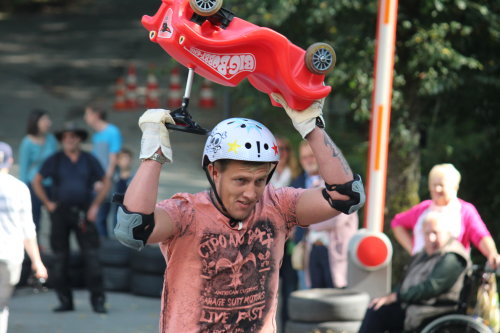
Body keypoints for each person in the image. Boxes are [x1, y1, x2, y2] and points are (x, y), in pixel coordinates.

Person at [114, 93, 365, 333]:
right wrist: (153, 155)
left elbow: (347, 196)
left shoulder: (278, 205)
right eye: (241, 180)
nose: (251, 192)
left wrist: (312, 128)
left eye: (259, 180)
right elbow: (133, 229)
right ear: (214, 172)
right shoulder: (186, 212)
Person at [32, 124, 110, 313]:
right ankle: (65, 300)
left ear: (79, 139)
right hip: (60, 212)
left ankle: (97, 301)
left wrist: (95, 206)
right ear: (61, 140)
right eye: (66, 136)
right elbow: (37, 181)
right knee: (60, 258)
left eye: (74, 136)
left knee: (92, 257)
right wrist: (47, 203)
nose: (70, 139)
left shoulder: (89, 160)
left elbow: (107, 181)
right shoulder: (55, 160)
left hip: (84, 212)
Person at [358, 211, 471, 333]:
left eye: (435, 233)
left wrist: (398, 297)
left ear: (448, 232)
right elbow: (405, 280)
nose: (431, 238)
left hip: (433, 312)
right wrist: (389, 297)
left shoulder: (452, 257)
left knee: (378, 313)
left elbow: (432, 287)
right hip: (414, 307)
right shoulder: (424, 254)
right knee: (376, 306)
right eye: (427, 234)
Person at [391, 163, 500, 268]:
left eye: (441, 185)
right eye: (434, 185)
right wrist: (413, 250)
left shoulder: (465, 211)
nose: (437, 189)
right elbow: (397, 223)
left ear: (454, 187)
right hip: (421, 268)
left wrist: (492, 254)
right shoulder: (422, 210)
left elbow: (480, 235)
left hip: (450, 272)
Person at [291, 141, 358, 289]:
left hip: (337, 253)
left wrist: (305, 218)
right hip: (312, 250)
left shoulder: (342, 180)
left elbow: (338, 217)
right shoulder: (297, 183)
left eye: (312, 156)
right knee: (315, 301)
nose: (308, 160)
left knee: (336, 300)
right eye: (304, 157)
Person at [0, 142, 48, 333]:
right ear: (10, 161)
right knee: (1, 306)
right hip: (11, 256)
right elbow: (27, 229)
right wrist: (37, 262)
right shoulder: (19, 188)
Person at [84, 105, 123, 238]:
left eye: (87, 114)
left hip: (110, 181)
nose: (86, 118)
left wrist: (105, 180)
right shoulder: (96, 136)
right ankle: (103, 247)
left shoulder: (112, 132)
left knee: (115, 218)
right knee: (100, 217)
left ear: (96, 115)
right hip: (100, 182)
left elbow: (113, 159)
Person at [18, 109, 58, 232]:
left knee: (56, 216)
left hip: (51, 183)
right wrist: (23, 192)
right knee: (34, 218)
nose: (48, 123)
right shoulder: (27, 143)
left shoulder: (51, 139)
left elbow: (56, 162)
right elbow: (23, 168)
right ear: (36, 122)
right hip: (33, 185)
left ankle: (56, 246)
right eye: (45, 120)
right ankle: (34, 248)